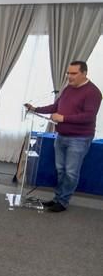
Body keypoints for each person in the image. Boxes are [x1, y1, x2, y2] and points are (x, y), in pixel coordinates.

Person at [26, 60, 102, 212]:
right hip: (61, 135)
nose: (69, 76)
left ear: (84, 73)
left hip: (79, 138)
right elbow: (56, 107)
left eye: (73, 73)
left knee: (71, 172)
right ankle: (57, 198)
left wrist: (63, 118)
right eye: (68, 73)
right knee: (60, 170)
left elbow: (88, 116)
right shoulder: (68, 88)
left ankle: (63, 202)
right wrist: (36, 109)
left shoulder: (93, 92)